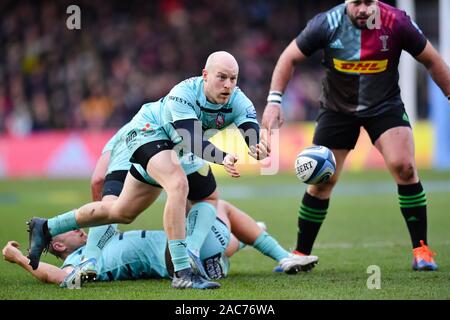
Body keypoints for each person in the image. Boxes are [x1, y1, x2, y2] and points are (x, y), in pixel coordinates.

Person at [26, 51, 269, 290]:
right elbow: (192, 140)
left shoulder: (238, 99)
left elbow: (250, 131)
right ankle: (183, 271)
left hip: (172, 147)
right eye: (222, 77)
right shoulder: (183, 94)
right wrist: (223, 157)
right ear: (205, 75)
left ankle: (47, 227)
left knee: (121, 211)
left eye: (233, 79)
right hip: (147, 131)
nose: (228, 85)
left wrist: (257, 146)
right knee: (178, 184)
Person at [262, 0, 450, 271]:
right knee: (322, 181)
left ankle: (422, 250)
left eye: (368, 2)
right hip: (337, 110)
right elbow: (289, 57)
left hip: (384, 107)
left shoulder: (396, 22)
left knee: (405, 167)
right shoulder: (326, 24)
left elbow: (431, 60)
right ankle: (301, 253)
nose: (363, 9)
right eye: (356, 3)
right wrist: (274, 100)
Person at [4, 200, 319, 287]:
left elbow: (106, 214)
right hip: (176, 257)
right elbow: (53, 276)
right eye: (70, 230)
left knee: (216, 230)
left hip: (181, 255)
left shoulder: (97, 245)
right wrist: (18, 257)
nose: (79, 228)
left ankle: (240, 241)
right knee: (212, 206)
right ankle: (275, 251)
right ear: (59, 247)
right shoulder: (82, 261)